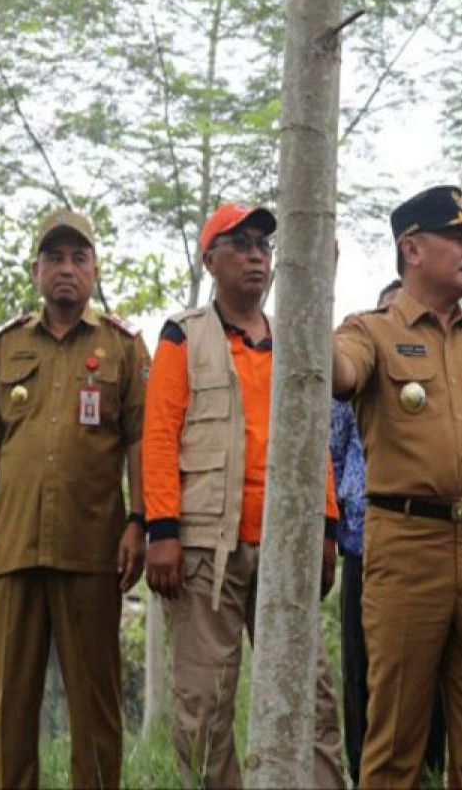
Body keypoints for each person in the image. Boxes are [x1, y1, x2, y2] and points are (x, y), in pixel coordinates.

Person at [332, 184, 462, 789]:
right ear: (412, 248)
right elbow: (338, 372)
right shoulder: (368, 330)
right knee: (396, 739)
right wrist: (312, 286)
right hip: (406, 545)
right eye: (456, 237)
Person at [142, 201, 345, 789]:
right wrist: (162, 531)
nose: (257, 255)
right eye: (241, 244)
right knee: (204, 705)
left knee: (313, 699)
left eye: (264, 245)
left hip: (286, 547)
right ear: (211, 259)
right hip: (206, 547)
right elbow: (159, 435)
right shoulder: (183, 334)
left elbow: (316, 439)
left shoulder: (296, 340)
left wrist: (326, 530)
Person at [0, 209, 148, 788]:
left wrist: (140, 520)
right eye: (56, 259)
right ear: (37, 270)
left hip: (92, 550)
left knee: (97, 707)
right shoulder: (6, 346)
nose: (67, 269)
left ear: (94, 270)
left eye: (79, 258)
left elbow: (142, 441)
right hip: (14, 550)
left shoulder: (123, 348)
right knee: (10, 709)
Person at [332, 279, 447, 786]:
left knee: (434, 673)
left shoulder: (443, 369)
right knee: (366, 672)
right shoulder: (355, 372)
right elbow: (330, 455)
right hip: (364, 542)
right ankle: (366, 774)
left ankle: (429, 770)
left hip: (438, 542)